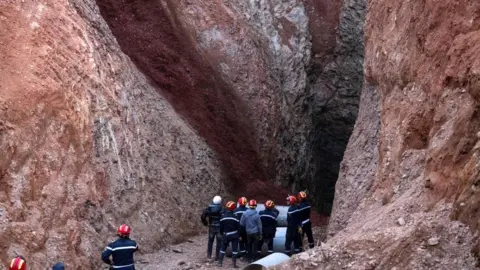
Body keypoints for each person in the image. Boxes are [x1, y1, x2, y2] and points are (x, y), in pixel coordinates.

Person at [218, 201, 241, 268]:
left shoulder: (223, 216)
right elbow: (238, 227)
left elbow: (221, 227)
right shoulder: (235, 216)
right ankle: (234, 264)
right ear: (233, 208)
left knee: (222, 248)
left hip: (226, 235)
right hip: (234, 235)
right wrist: (239, 235)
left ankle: (220, 263)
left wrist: (222, 234)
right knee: (234, 250)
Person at [201, 195, 223, 261]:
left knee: (210, 241)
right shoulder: (221, 208)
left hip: (211, 226)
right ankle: (217, 257)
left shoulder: (209, 207)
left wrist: (205, 223)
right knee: (219, 241)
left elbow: (203, 216)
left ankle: (209, 256)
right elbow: (223, 217)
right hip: (219, 227)